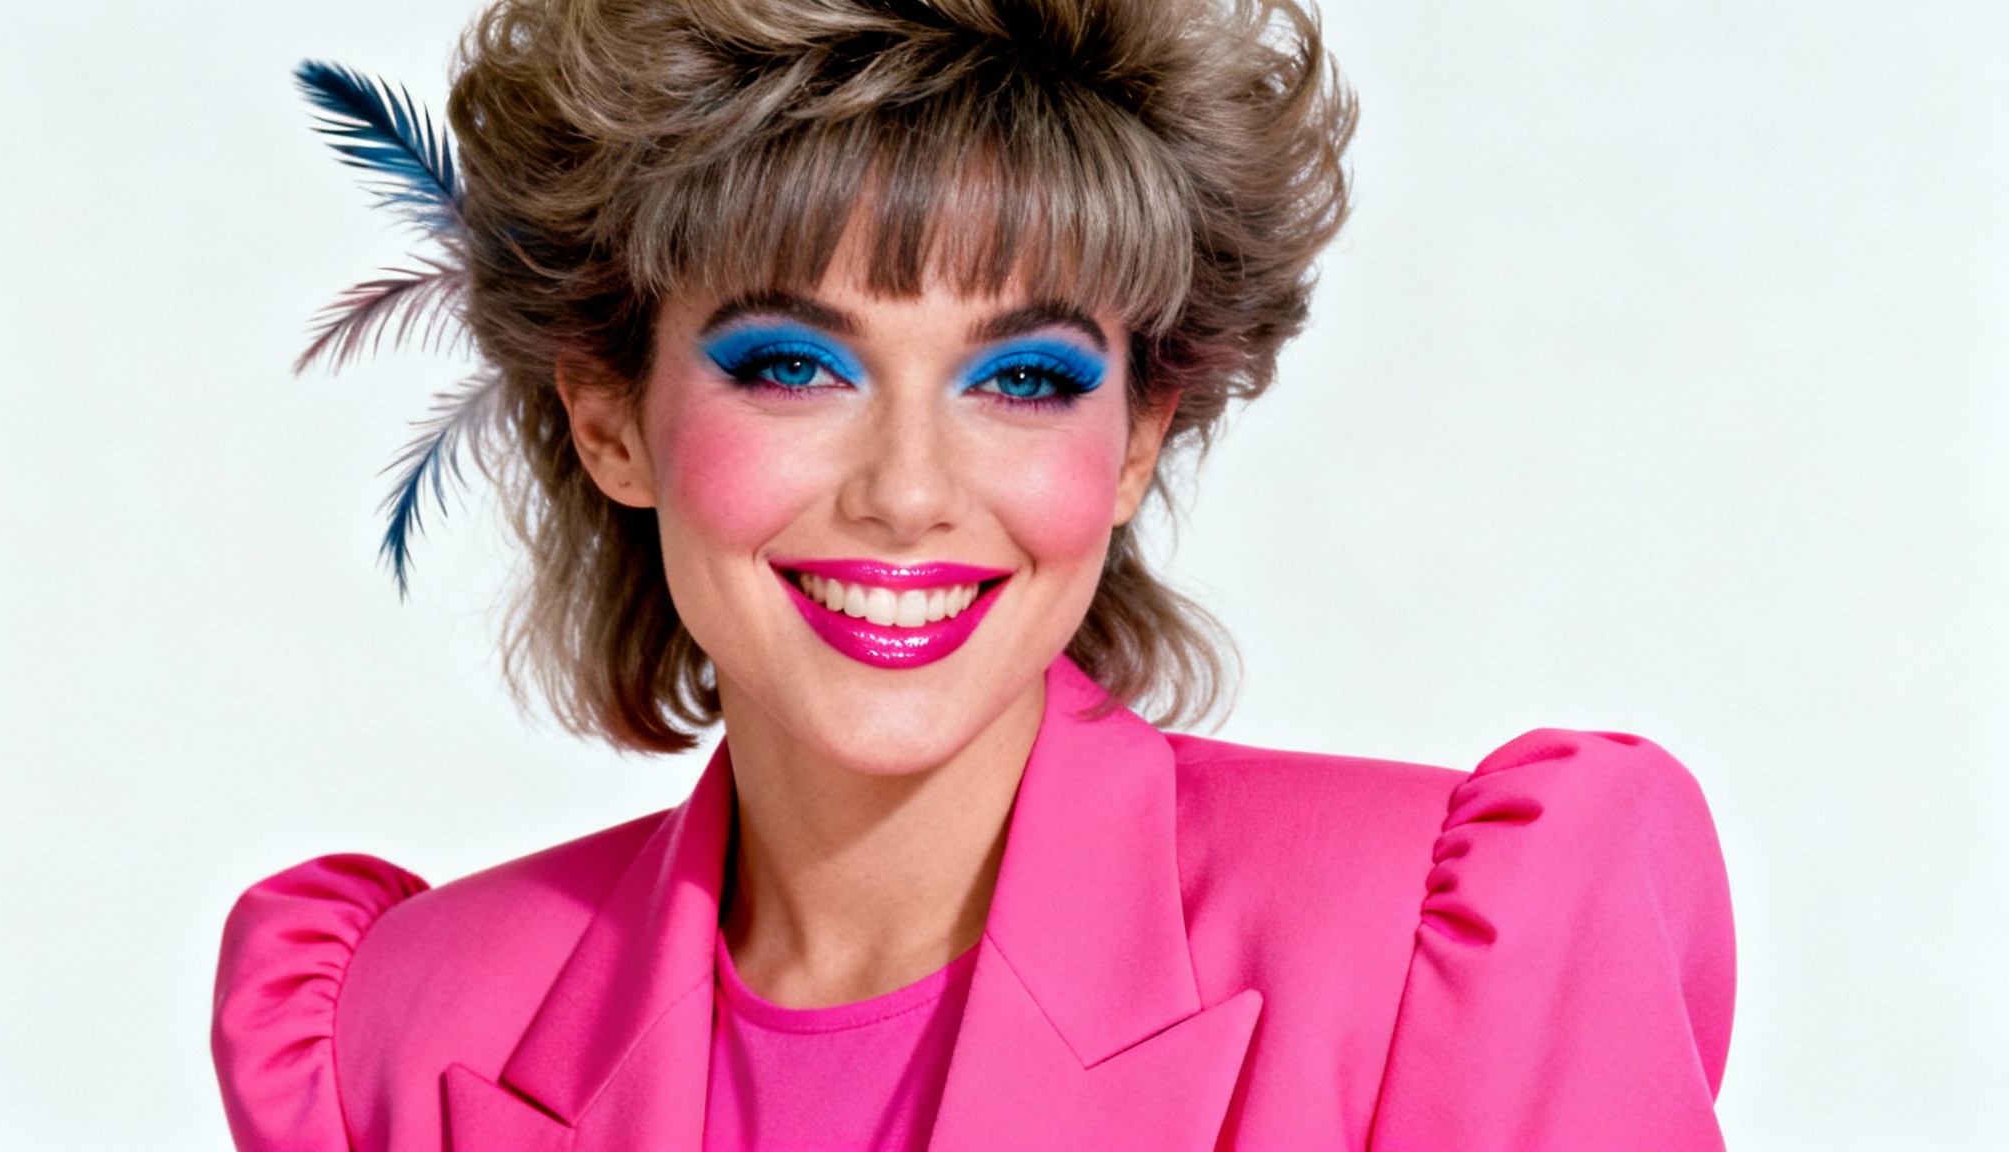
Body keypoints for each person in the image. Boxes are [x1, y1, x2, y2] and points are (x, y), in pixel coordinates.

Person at [212, 1, 1735, 1148]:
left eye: (1021, 380)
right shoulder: (396, 1038)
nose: (910, 494)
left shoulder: (1444, 953)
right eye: (794, 364)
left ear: (1138, 438)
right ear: (609, 415)